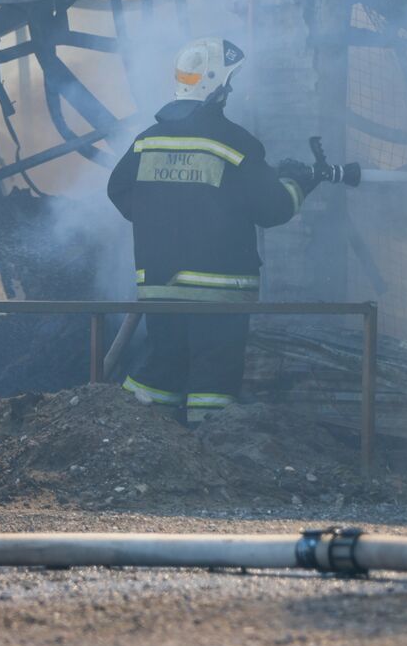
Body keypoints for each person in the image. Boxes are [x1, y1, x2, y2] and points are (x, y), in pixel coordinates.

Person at [108, 37, 318, 424]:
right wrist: (300, 182)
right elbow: (273, 209)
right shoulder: (235, 144)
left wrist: (160, 222)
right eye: (230, 81)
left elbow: (118, 190)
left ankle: (135, 441)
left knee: (162, 366)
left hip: (158, 286)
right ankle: (213, 448)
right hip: (219, 290)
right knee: (213, 379)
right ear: (214, 85)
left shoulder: (146, 141)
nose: (232, 88)